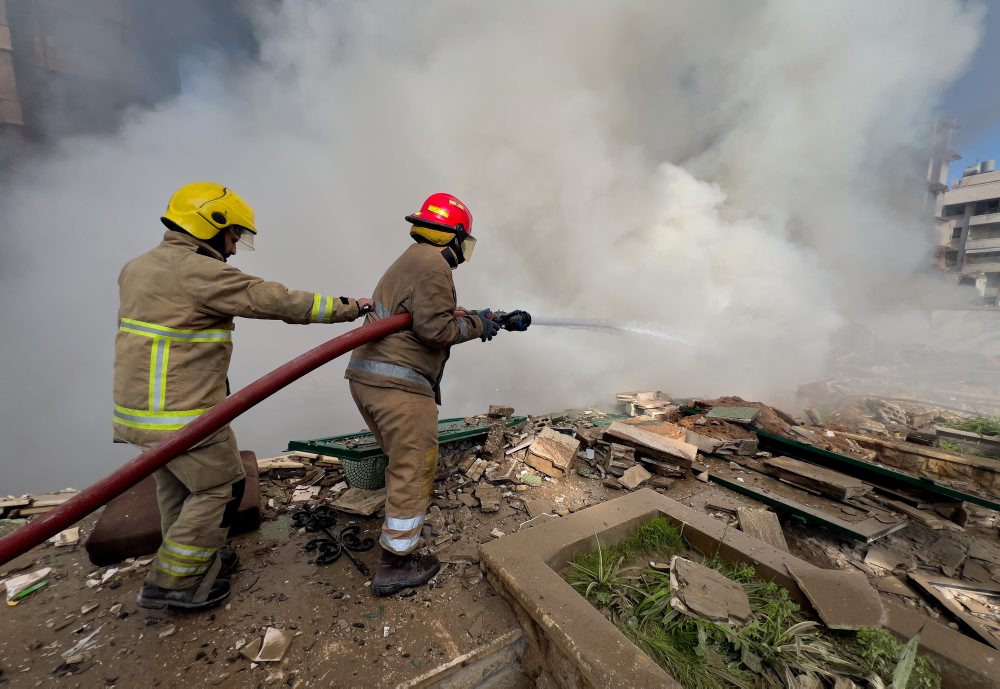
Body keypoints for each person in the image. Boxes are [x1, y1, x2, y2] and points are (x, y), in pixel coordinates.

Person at [114, 181, 373, 611]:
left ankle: (196, 557)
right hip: (183, 415)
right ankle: (176, 581)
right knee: (222, 488)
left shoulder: (138, 267)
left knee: (177, 489)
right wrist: (350, 307)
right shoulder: (198, 271)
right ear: (210, 225)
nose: (234, 248)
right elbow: (273, 300)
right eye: (234, 236)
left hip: (139, 413)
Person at [345, 192, 500, 596]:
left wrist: (482, 316)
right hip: (398, 384)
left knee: (403, 462)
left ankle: (398, 536)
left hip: (369, 380)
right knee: (415, 465)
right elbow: (435, 330)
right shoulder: (434, 266)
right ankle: (397, 562)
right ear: (456, 236)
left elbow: (426, 313)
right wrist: (478, 327)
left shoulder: (412, 259)